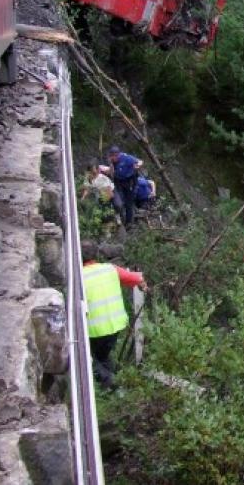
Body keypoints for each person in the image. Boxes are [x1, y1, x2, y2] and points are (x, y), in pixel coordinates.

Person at [82, 258, 147, 388]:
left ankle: (110, 383)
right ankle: (114, 388)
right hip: (115, 325)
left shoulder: (79, 275)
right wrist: (143, 285)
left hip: (93, 330)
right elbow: (136, 278)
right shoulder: (110, 269)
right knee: (103, 356)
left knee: (89, 360)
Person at [108, 146, 143, 226]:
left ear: (118, 155)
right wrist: (110, 166)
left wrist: (138, 166)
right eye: (111, 156)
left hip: (129, 182)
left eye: (113, 156)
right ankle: (120, 219)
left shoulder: (127, 158)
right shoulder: (111, 161)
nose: (112, 158)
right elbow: (111, 174)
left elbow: (140, 161)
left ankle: (129, 223)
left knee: (128, 203)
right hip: (118, 182)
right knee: (119, 201)